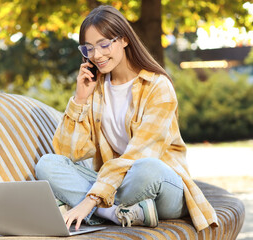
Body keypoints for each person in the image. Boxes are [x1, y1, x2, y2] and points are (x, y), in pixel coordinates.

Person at [34, 5, 218, 232]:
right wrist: (79, 100)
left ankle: (92, 207)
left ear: (124, 40)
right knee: (47, 164)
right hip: (114, 185)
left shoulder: (157, 87)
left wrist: (89, 200)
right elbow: (68, 153)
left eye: (104, 44)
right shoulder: (96, 88)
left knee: (146, 168)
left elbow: (139, 155)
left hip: (159, 186)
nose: (97, 55)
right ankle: (115, 213)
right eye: (89, 48)